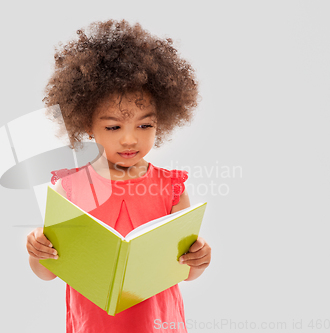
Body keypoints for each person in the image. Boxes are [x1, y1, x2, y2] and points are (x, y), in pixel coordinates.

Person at [26, 19, 211, 333]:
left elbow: (185, 271)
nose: (130, 140)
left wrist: (199, 259)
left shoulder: (172, 188)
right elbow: (48, 272)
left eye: (145, 125)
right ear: (87, 124)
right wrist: (38, 249)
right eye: (113, 127)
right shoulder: (69, 188)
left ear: (162, 120)